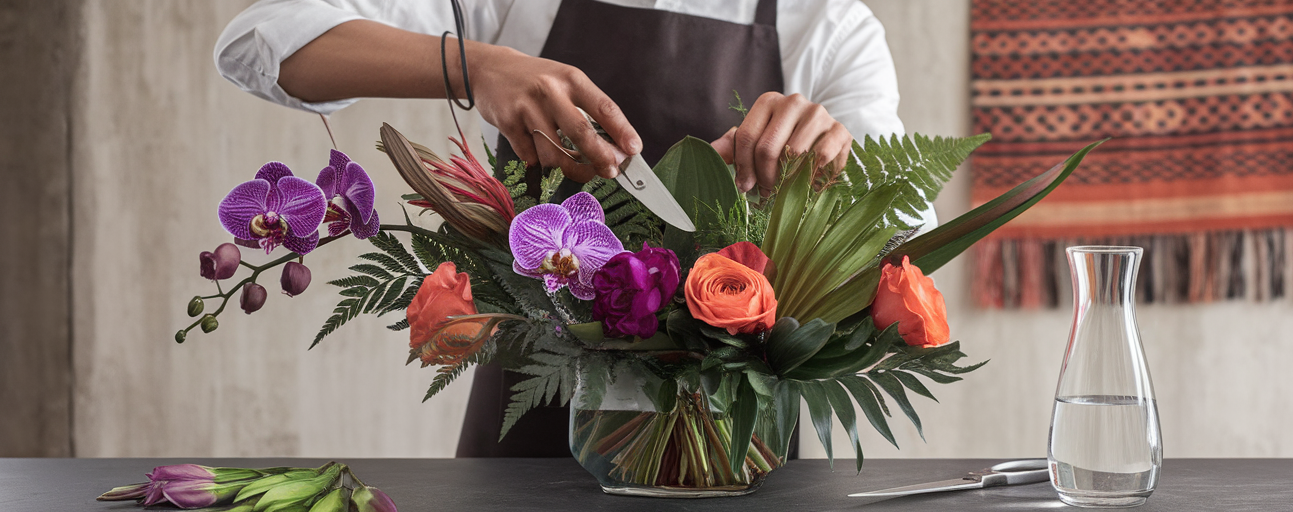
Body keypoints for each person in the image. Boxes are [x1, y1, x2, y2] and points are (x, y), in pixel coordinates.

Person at [215, 0, 916, 457]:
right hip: (530, 429)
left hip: (733, 449)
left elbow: (909, 252)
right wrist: (475, 64)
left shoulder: (828, 27)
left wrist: (833, 169)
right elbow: (258, 42)